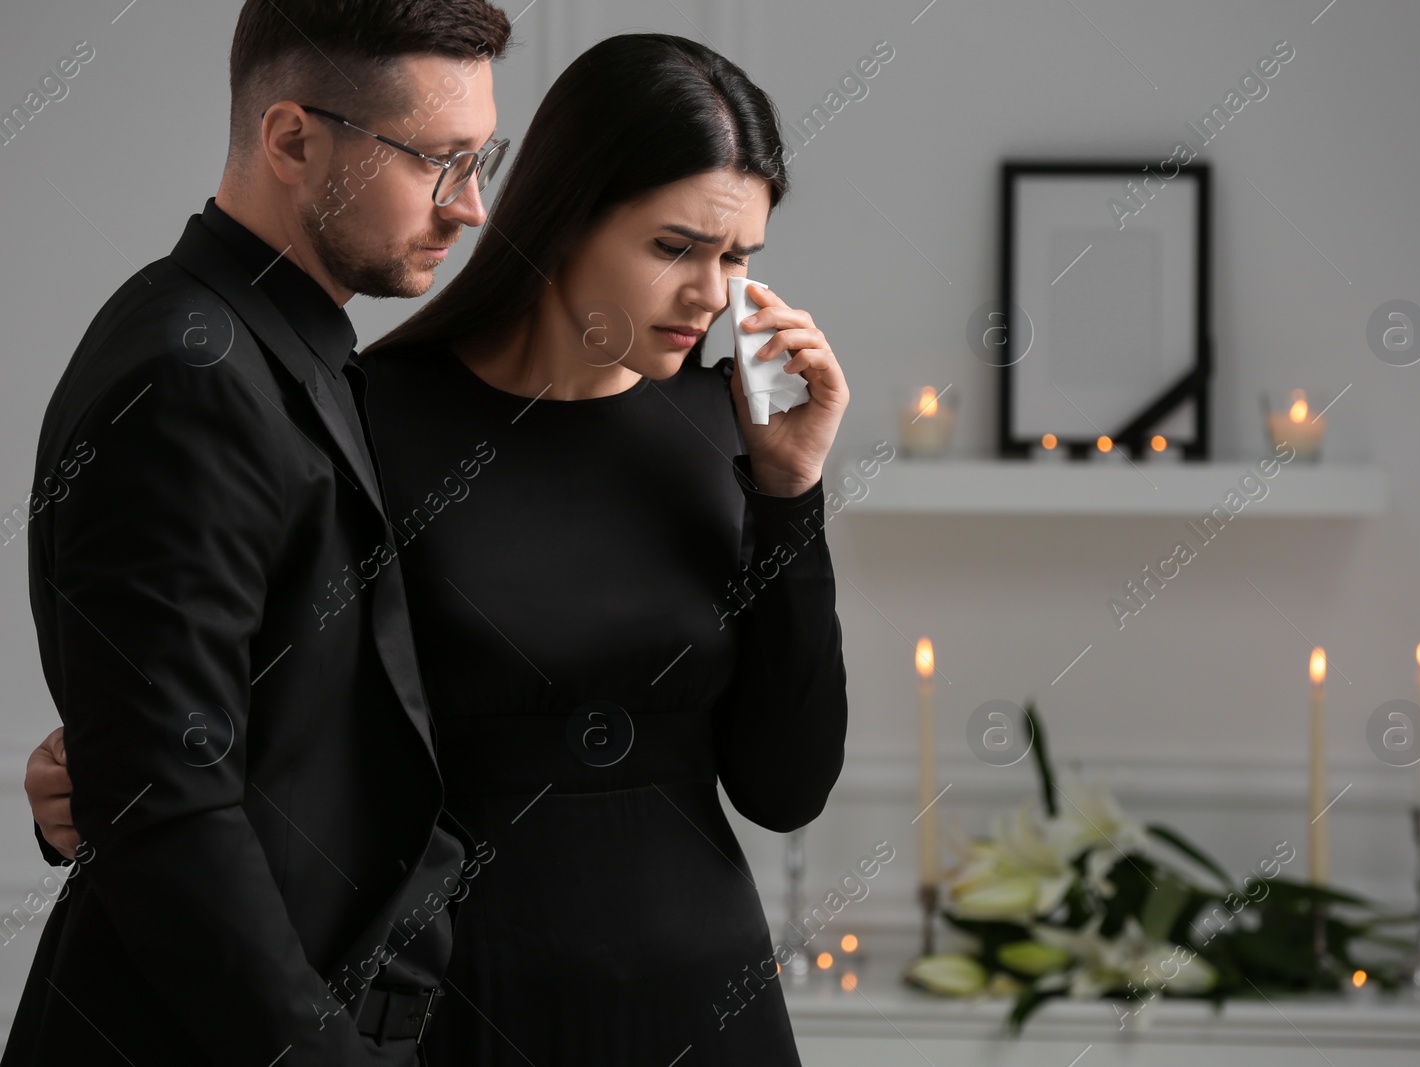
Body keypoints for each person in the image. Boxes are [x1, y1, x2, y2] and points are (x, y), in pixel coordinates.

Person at [27, 30, 852, 1066]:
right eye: (675, 247)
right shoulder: (366, 416)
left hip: (705, 990)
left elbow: (787, 783)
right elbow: (261, 718)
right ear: (564, 217)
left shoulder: (729, 431)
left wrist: (791, 490)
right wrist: (94, 782)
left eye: (740, 259)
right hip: (451, 993)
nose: (714, 297)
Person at [8, 1, 513, 1063]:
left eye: (483, 159)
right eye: (439, 161)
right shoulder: (189, 374)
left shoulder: (277, 346)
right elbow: (169, 808)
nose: (469, 207)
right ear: (292, 139)